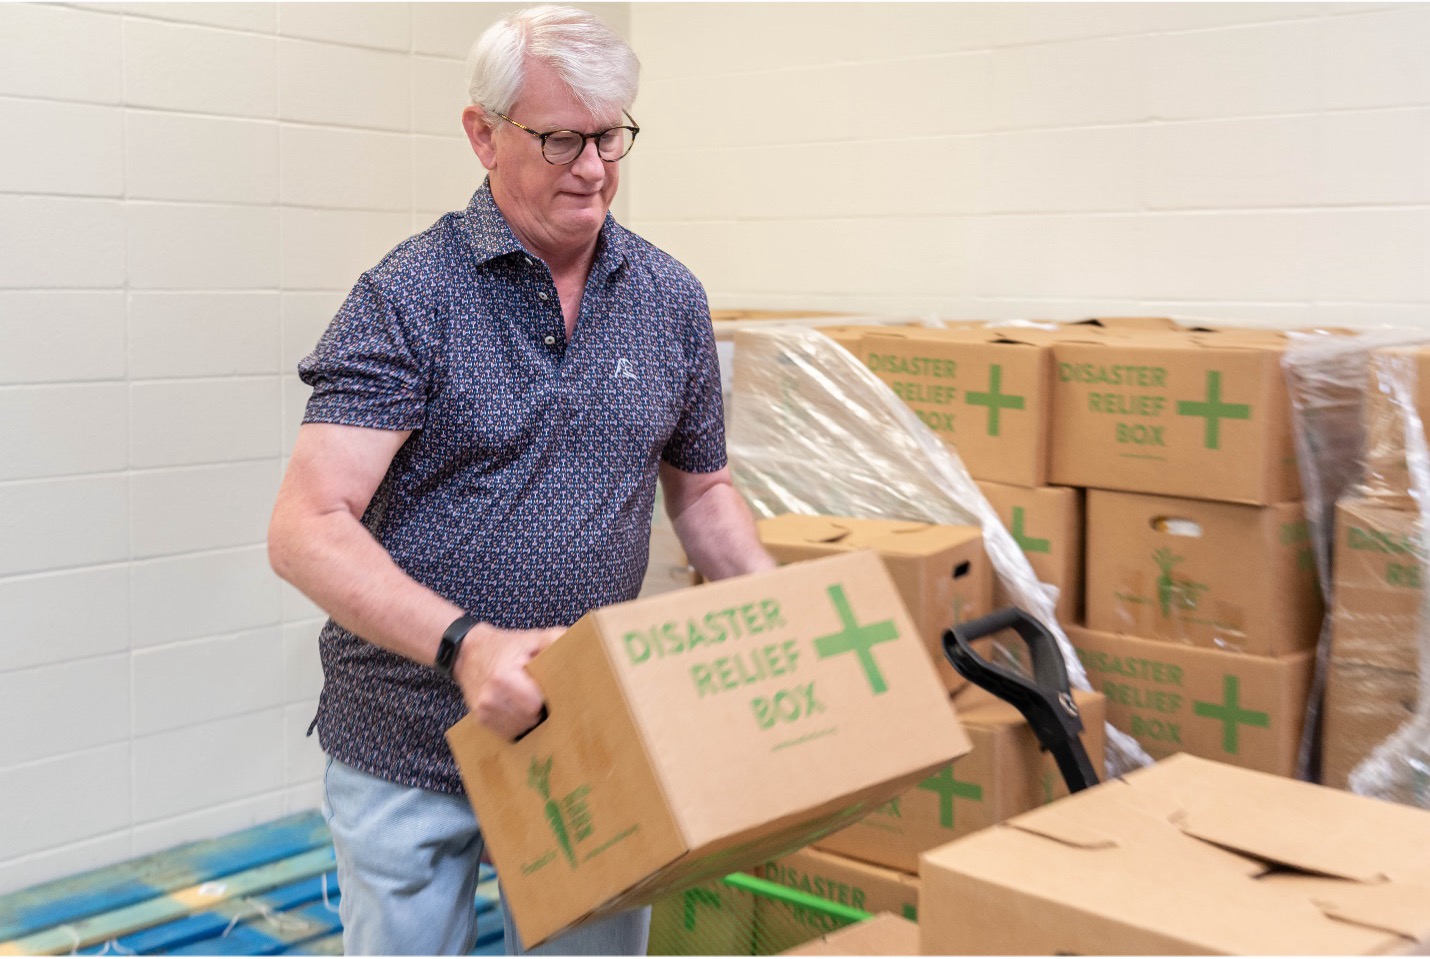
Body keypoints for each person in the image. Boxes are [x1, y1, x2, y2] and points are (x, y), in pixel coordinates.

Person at [266, 5, 775, 955]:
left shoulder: (669, 299)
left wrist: (776, 608)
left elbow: (702, 493)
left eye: (610, 135)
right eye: (558, 138)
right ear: (482, 135)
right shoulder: (408, 296)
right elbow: (307, 524)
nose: (592, 168)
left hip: (585, 734)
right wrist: (466, 645)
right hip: (407, 739)